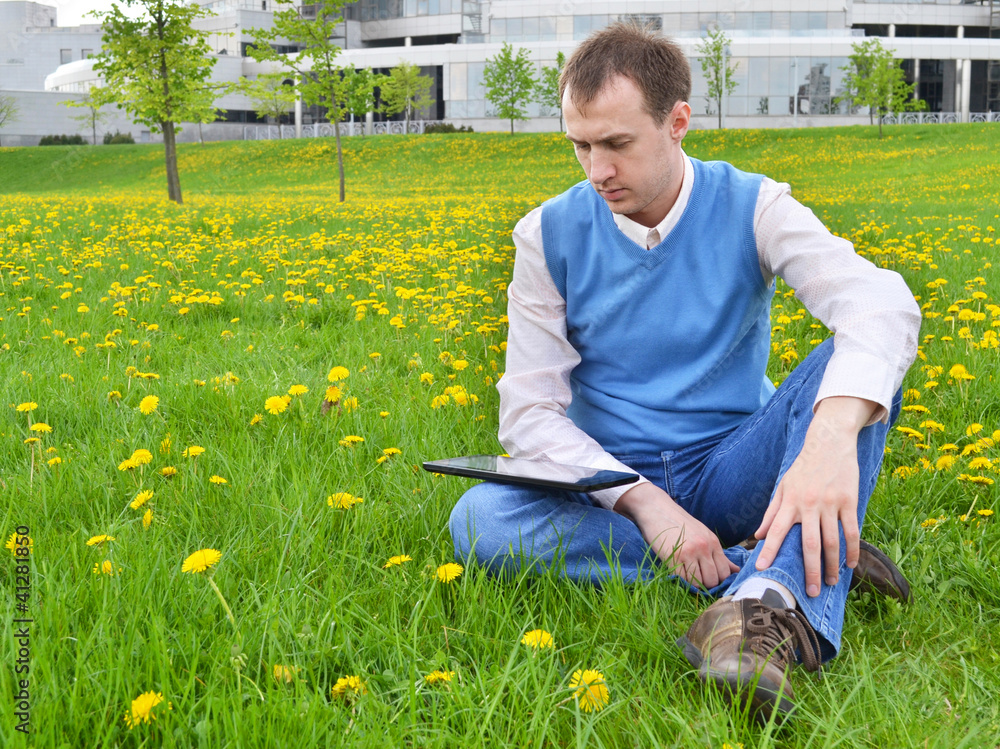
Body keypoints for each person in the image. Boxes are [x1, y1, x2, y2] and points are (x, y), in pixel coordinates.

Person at [449, 22, 921, 721]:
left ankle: (763, 609)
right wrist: (649, 505)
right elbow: (530, 414)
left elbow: (881, 303)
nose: (595, 170)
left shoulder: (753, 205)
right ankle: (777, 564)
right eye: (580, 145)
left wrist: (825, 444)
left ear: (677, 123)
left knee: (851, 377)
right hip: (608, 483)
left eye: (616, 144)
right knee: (480, 522)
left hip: (731, 468)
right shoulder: (545, 234)